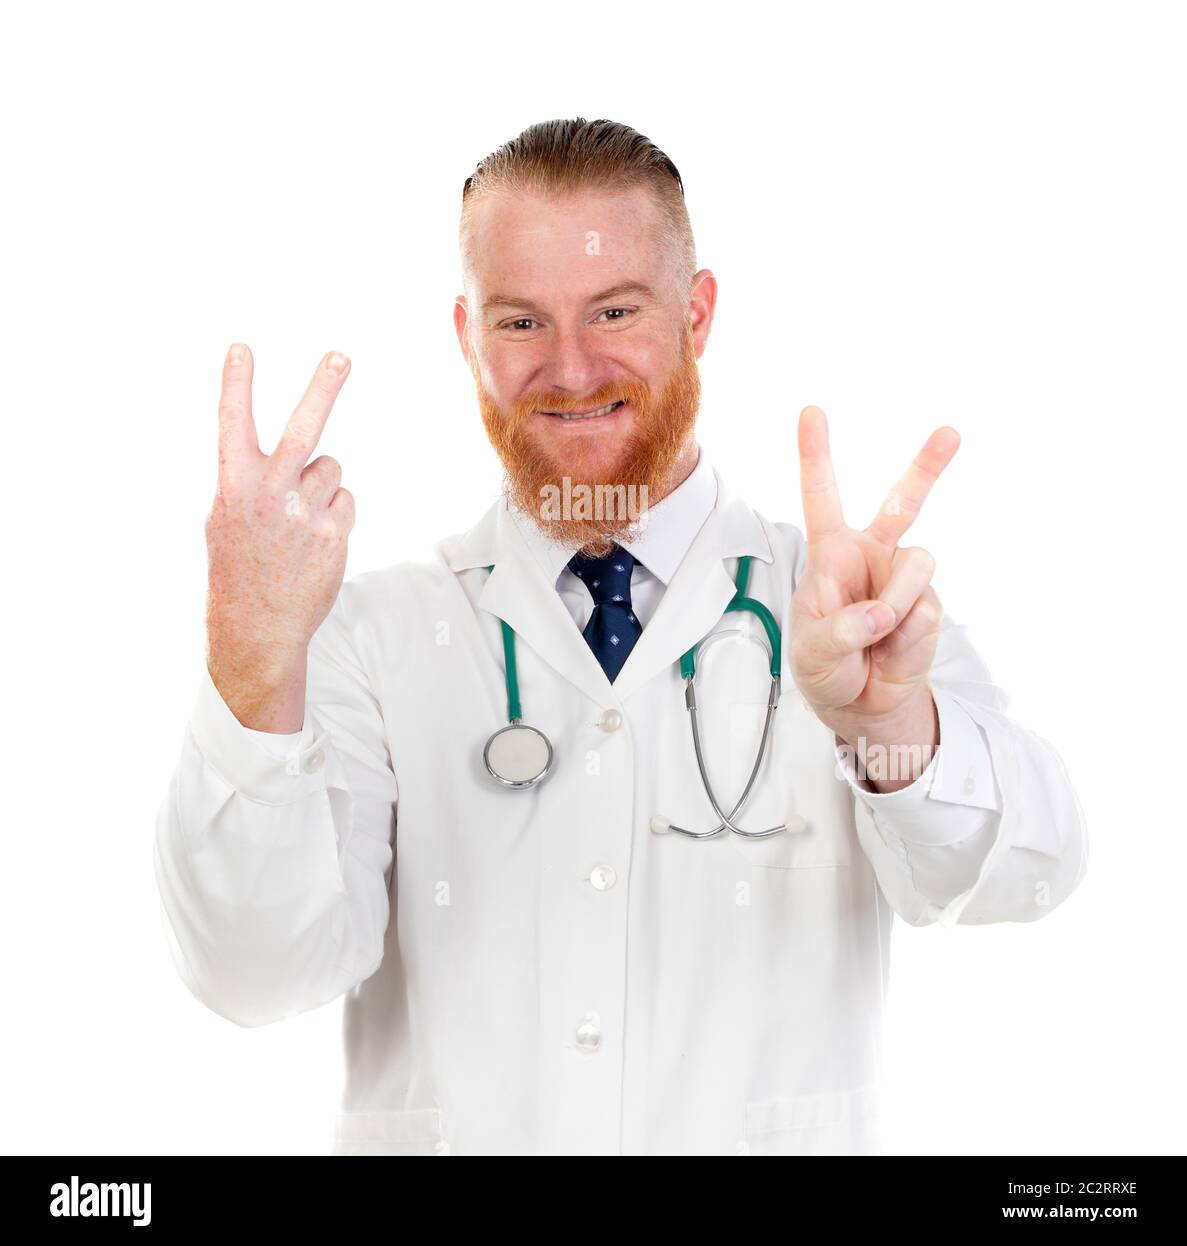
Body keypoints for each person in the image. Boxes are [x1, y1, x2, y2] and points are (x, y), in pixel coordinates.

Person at [153, 118, 1087, 1156]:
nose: (568, 367)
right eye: (519, 323)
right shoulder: (364, 635)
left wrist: (888, 725)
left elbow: (1032, 869)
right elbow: (250, 970)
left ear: (695, 314)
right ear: (465, 335)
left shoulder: (838, 608)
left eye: (612, 310)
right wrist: (250, 659)